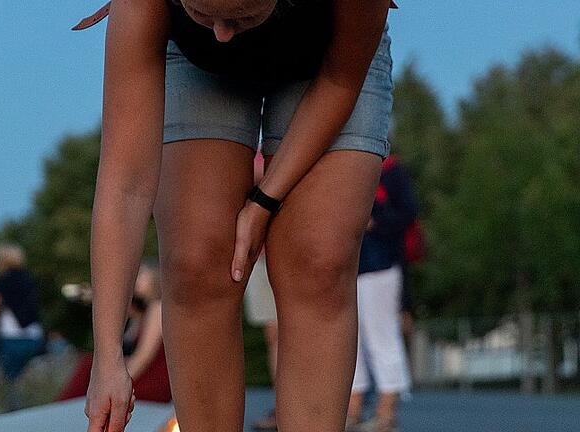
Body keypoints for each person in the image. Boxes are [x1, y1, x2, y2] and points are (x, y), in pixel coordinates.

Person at [76, 0, 397, 430]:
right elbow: (125, 182)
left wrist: (265, 200)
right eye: (204, 13)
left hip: (329, 62)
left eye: (241, 16)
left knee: (318, 261)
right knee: (197, 263)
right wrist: (109, 356)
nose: (223, 34)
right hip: (197, 69)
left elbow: (340, 81)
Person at [346, 156, 418, 432]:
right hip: (353, 266)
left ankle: (387, 411)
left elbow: (408, 213)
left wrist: (374, 220)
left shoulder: (392, 171)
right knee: (354, 339)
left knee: (382, 336)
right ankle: (353, 408)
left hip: (382, 265)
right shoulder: (351, 165)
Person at [58, 262, 171, 403]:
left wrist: (115, 382)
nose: (134, 278)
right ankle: (70, 406)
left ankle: (66, 407)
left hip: (149, 380)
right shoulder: (139, 315)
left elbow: (143, 357)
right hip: (138, 375)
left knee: (90, 366)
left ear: (155, 279)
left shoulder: (158, 308)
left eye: (141, 274)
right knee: (92, 364)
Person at [244, 152, 279, 431]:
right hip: (262, 253)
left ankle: (289, 406)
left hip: (278, 250)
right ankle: (283, 405)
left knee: (287, 333)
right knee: (274, 335)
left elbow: (255, 173)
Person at [0, 243, 44, 411]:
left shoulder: (1, 281)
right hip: (34, 335)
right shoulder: (29, 279)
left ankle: (14, 414)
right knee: (27, 380)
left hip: (11, 336)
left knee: (10, 381)